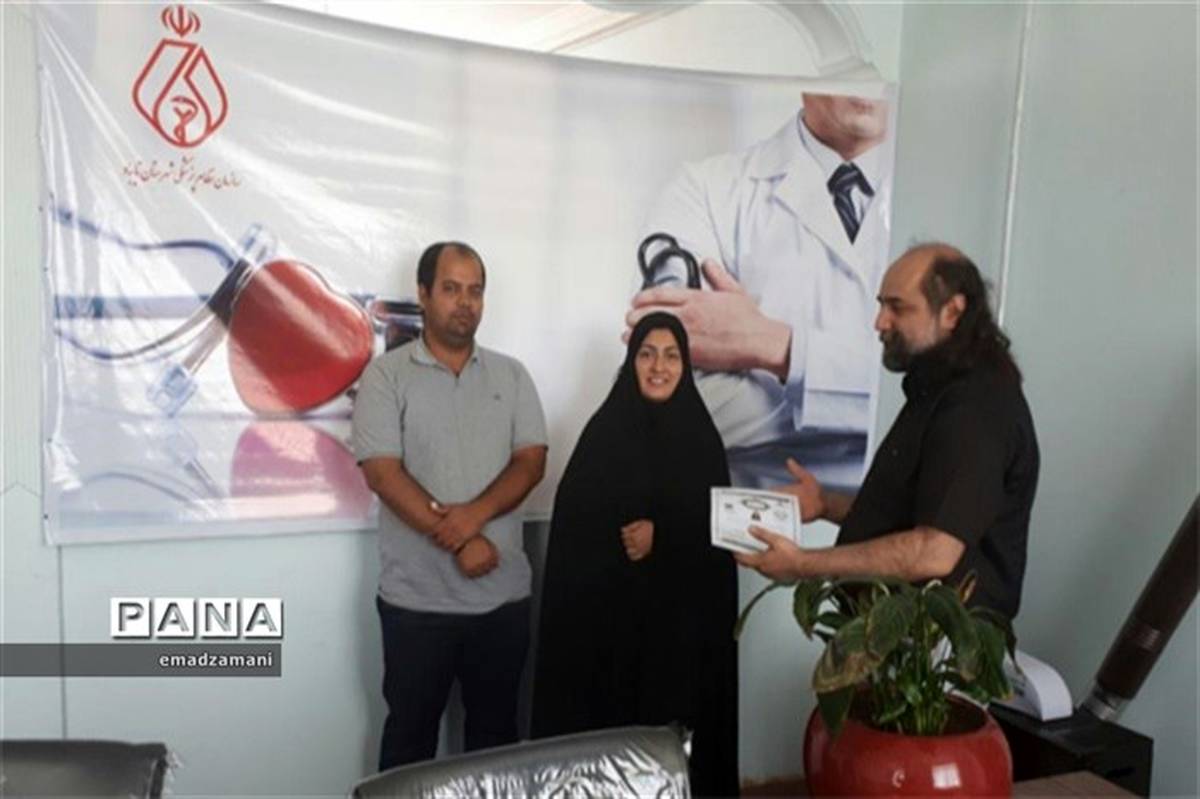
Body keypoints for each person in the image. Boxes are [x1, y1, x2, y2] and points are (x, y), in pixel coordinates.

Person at [736, 244, 1039, 618]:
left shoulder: (976, 408)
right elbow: (915, 513)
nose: (880, 322)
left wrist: (801, 563)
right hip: (888, 637)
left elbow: (934, 551)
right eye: (881, 305)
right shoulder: (937, 390)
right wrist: (826, 503)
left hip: (930, 649)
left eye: (898, 307)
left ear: (952, 312)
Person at [627, 93, 892, 493]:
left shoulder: (959, 195)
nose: (870, 82)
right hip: (744, 521)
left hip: (911, 528)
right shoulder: (703, 192)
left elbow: (963, 393)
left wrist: (776, 347)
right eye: (852, 68)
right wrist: (876, 402)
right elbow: (672, 404)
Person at [352, 241, 548, 770]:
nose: (465, 302)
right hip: (417, 606)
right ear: (423, 294)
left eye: (475, 291)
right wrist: (462, 541)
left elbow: (531, 461)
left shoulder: (512, 375)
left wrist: (472, 518)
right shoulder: (386, 376)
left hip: (502, 602)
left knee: (496, 746)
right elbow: (383, 473)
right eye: (451, 289)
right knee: (409, 746)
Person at [532, 312, 739, 797]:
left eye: (671, 356)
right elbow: (574, 527)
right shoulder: (604, 431)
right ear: (632, 361)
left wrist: (662, 536)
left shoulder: (702, 439)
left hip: (679, 640)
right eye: (647, 354)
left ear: (685, 365)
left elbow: (719, 533)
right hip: (612, 634)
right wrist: (619, 538)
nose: (659, 367)